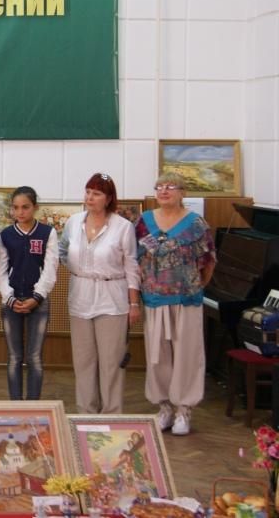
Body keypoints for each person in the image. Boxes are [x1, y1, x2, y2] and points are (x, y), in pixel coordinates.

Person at [135, 172, 215, 435]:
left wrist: (194, 286)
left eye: (170, 186)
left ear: (182, 192)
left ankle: (184, 410)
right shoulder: (144, 222)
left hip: (186, 299)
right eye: (159, 187)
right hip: (154, 299)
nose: (164, 191)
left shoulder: (195, 224)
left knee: (187, 355)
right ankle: (165, 408)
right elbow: (136, 258)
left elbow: (208, 261)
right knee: (158, 357)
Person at [60, 172, 140, 414]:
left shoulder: (123, 227)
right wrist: (78, 270)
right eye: (88, 192)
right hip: (80, 296)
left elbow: (131, 266)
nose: (90, 197)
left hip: (112, 299)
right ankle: (85, 414)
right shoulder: (73, 222)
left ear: (108, 198)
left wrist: (134, 304)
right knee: (83, 361)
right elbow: (62, 251)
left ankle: (112, 415)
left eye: (96, 193)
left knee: (111, 362)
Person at [0, 186, 59, 400]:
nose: (20, 212)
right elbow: (1, 271)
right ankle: (15, 405)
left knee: (34, 358)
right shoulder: (6, 235)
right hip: (11, 303)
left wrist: (37, 297)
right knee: (14, 357)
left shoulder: (47, 233)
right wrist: (9, 298)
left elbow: (50, 269)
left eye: (25, 207)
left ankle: (33, 406)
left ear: (35, 207)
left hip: (38, 303)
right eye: (16, 208)